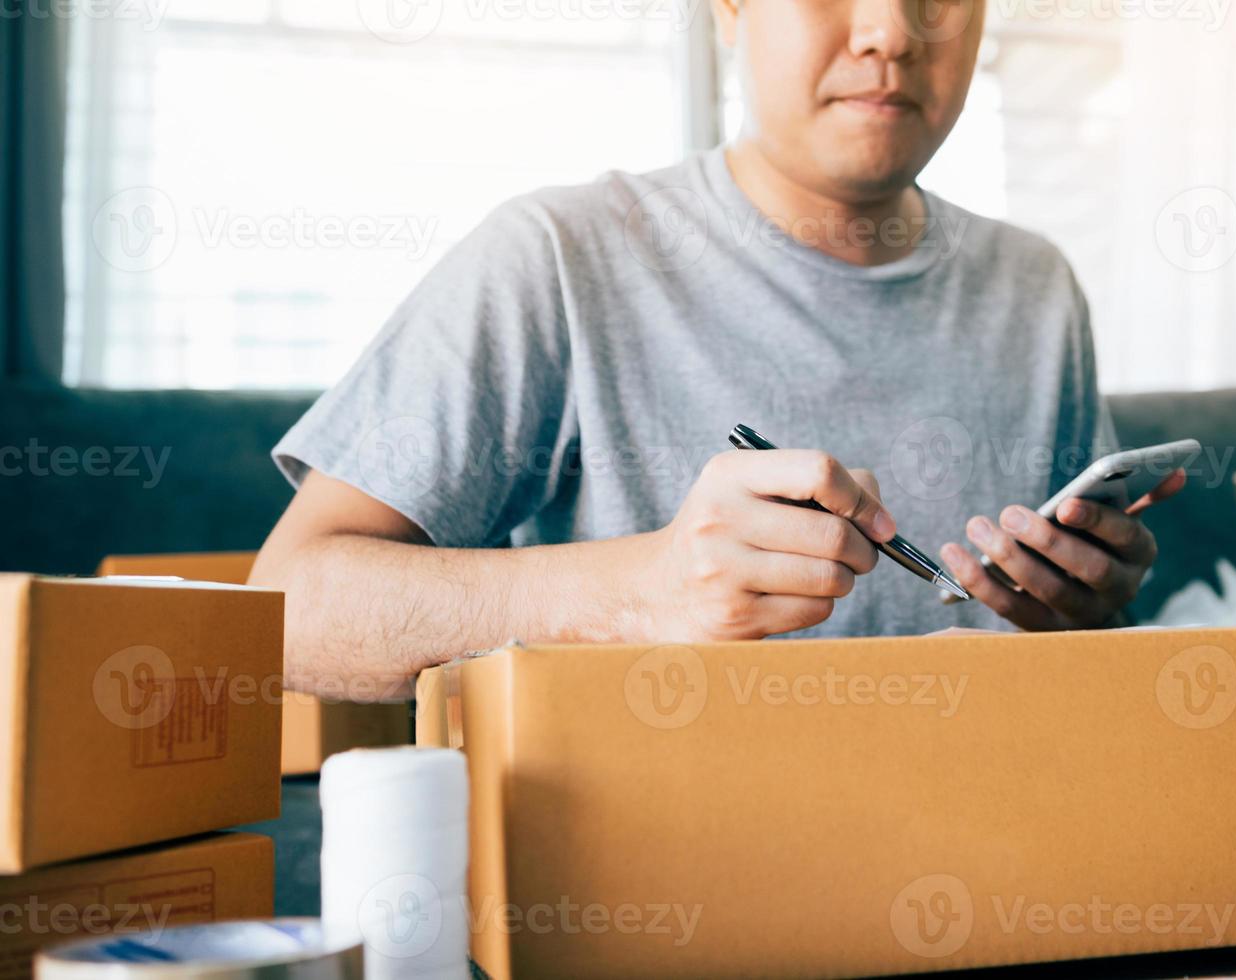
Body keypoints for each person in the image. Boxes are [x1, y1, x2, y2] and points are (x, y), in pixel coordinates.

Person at [251, 0, 1185, 700]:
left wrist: (1084, 610)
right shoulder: (556, 257)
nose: (893, 32)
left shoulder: (1037, 287)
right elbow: (288, 617)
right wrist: (645, 589)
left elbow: (1083, 657)